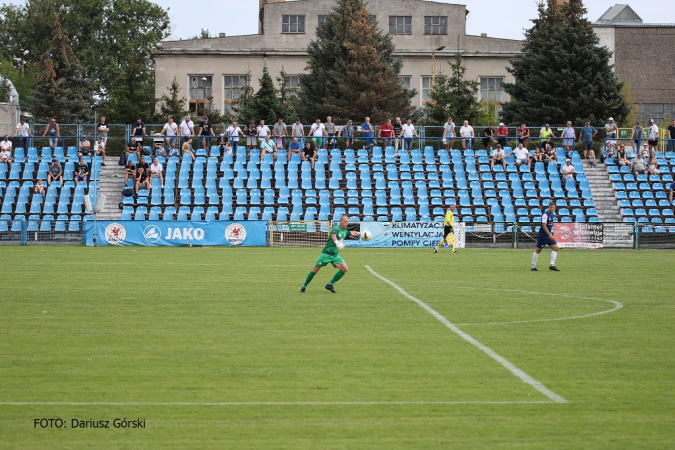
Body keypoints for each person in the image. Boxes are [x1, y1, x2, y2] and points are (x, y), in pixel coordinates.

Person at [300, 214, 362, 293]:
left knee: (344, 269)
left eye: (347, 222)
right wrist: (337, 243)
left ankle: (330, 284)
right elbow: (333, 235)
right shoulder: (336, 228)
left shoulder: (345, 231)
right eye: (345, 221)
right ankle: (304, 286)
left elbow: (353, 233)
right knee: (315, 270)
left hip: (335, 255)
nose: (347, 223)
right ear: (340, 221)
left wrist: (362, 233)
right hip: (326, 253)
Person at [531, 203, 560, 272]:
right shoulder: (545, 215)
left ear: (554, 208)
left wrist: (550, 234)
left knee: (556, 248)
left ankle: (552, 265)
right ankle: (533, 266)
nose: (551, 208)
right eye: (550, 207)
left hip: (549, 236)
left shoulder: (552, 215)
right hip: (543, 236)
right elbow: (544, 225)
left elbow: (549, 226)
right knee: (538, 250)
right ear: (548, 207)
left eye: (553, 207)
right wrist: (550, 235)